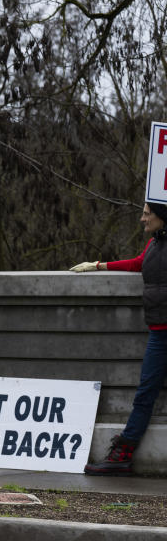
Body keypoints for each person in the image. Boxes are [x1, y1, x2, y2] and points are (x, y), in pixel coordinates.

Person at [71, 202, 167, 476]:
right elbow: (138, 263)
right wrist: (98, 266)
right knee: (145, 394)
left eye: (148, 214)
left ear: (163, 216)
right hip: (159, 333)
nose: (142, 219)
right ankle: (122, 455)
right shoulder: (153, 245)